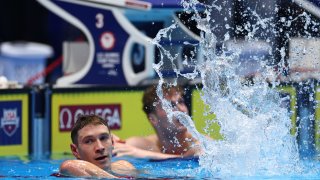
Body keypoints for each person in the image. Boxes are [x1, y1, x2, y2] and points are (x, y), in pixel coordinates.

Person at [113, 84, 202, 160]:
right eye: (170, 105)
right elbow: (112, 150)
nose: (181, 110)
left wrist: (139, 153)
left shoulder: (200, 143)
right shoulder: (143, 145)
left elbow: (184, 159)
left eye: (181, 102)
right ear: (153, 119)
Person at [59, 114, 136, 178]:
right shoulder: (69, 168)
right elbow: (68, 165)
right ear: (75, 151)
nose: (100, 147)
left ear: (112, 142)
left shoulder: (125, 167)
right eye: (88, 141)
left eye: (103, 138)